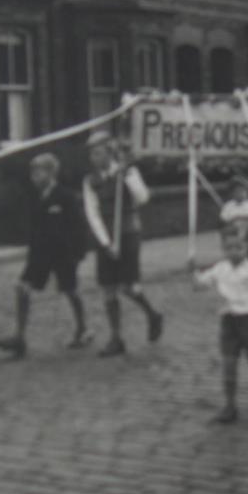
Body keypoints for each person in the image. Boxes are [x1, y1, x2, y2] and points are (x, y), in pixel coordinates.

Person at [0, 153, 92, 359]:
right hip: (40, 255)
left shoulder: (66, 196)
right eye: (32, 172)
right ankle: (19, 338)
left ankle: (83, 328)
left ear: (51, 173)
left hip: (63, 254)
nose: (34, 176)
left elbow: (79, 227)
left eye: (39, 171)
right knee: (22, 289)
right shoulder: (34, 196)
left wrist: (78, 253)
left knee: (70, 290)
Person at [82, 130, 164, 357]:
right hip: (106, 238)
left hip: (129, 234)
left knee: (129, 287)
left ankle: (153, 314)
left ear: (110, 152)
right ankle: (116, 338)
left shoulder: (128, 171)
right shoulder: (90, 181)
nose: (94, 159)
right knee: (108, 288)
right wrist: (106, 243)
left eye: (98, 153)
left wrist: (127, 176)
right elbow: (93, 213)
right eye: (91, 154)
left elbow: (143, 198)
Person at [189, 226, 248, 424]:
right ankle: (230, 405)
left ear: (247, 247)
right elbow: (200, 285)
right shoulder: (220, 268)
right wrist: (193, 272)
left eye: (239, 247)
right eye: (229, 248)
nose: (234, 252)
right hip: (229, 321)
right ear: (223, 249)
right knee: (229, 363)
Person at [219, 178, 248, 260]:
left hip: (247, 230)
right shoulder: (228, 206)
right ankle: (232, 255)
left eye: (243, 191)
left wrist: (237, 218)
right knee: (226, 231)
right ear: (232, 193)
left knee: (246, 228)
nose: (241, 194)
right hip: (232, 231)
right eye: (237, 192)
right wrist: (234, 221)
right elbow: (224, 220)